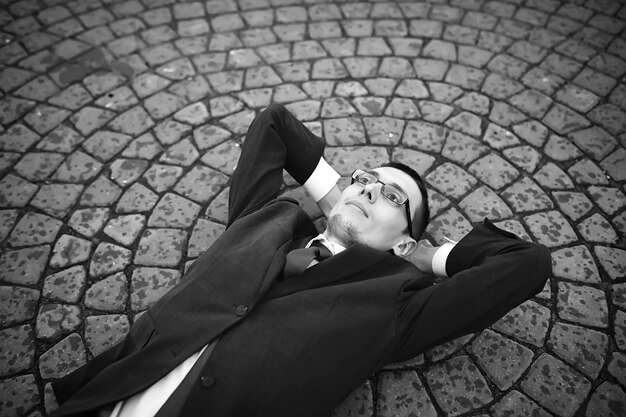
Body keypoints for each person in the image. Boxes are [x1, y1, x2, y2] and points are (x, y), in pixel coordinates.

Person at [51, 104, 551, 417]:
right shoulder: (267, 217)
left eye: (392, 198)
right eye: (365, 179)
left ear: (403, 242)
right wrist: (343, 197)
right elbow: (274, 124)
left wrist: (426, 254)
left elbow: (526, 264)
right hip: (112, 397)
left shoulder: (395, 306)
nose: (370, 190)